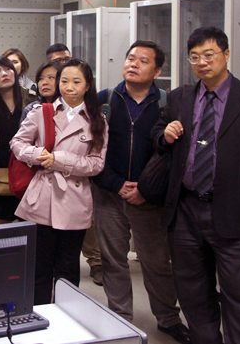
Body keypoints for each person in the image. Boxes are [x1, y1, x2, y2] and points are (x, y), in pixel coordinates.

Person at [152, 27, 240, 344]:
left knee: (238, 292)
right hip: (185, 210)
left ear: (226, 54)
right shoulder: (180, 97)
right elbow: (157, 134)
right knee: (192, 291)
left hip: (232, 210)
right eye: (194, 57)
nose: (202, 62)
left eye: (209, 55)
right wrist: (165, 134)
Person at [92, 41, 190, 344]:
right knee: (113, 260)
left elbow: (173, 156)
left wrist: (146, 190)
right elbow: (91, 149)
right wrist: (116, 184)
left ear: (157, 71)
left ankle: (168, 319)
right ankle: (120, 317)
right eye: (130, 58)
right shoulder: (105, 99)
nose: (133, 64)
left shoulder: (168, 103)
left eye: (143, 61)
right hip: (109, 195)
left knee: (157, 262)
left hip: (150, 200)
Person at [11, 58, 107, 304]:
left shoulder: (97, 120)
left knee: (68, 267)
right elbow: (17, 143)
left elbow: (96, 164)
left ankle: (66, 315)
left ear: (88, 85)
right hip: (42, 196)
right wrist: (36, 155)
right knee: (39, 267)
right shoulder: (41, 112)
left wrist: (59, 160)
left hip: (74, 199)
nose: (69, 87)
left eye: (76, 82)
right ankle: (39, 313)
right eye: (64, 81)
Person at [0, 55, 37, 224]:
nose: (4, 74)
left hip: (29, 170)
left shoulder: (33, 99)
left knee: (30, 224)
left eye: (8, 69)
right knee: (2, 224)